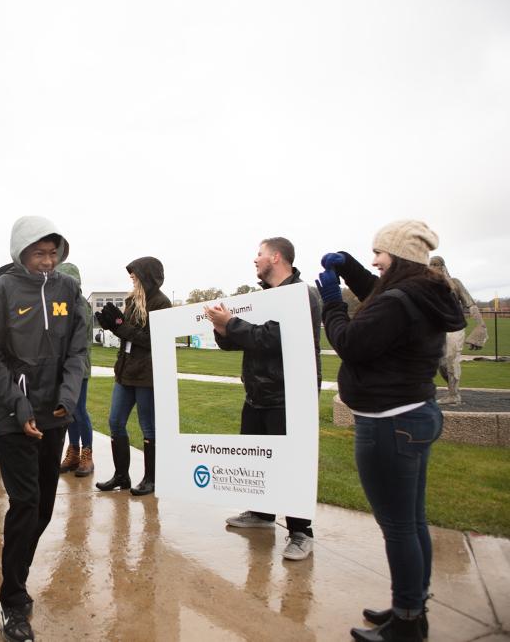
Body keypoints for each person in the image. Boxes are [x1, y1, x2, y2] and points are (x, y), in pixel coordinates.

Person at [318, 220, 465, 641]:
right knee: (413, 522)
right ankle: (412, 607)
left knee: (399, 527)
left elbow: (350, 341)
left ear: (399, 257)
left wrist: (332, 301)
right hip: (416, 414)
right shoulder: (421, 291)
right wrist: (347, 266)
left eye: (379, 253)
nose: (373, 261)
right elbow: (380, 296)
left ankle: (406, 623)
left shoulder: (400, 299)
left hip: (390, 424)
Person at [0, 216, 87, 642]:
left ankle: (16, 569)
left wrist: (68, 397)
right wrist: (18, 402)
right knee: (25, 504)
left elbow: (77, 351)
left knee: (42, 508)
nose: (47, 261)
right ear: (21, 252)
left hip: (54, 414)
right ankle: (12, 599)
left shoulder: (68, 289)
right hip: (13, 417)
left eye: (52, 253)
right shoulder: (2, 290)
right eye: (39, 253)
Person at [205, 237, 322, 561]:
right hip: (257, 394)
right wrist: (221, 327)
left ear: (277, 257)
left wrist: (231, 323)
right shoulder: (262, 298)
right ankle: (261, 513)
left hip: (288, 396)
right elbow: (239, 341)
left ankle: (301, 532)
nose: (255, 259)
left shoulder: (302, 294)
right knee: (257, 459)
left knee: (290, 464)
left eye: (260, 254)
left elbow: (272, 337)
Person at [94, 257, 171, 496]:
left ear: (147, 274)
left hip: (146, 373)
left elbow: (151, 340)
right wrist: (113, 326)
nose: (131, 276)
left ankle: (151, 479)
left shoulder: (161, 303)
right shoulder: (131, 300)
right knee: (115, 421)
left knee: (148, 426)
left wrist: (120, 327)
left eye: (135, 272)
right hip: (125, 371)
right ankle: (121, 476)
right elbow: (128, 335)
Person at [428, 256, 487, 405]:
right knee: (441, 363)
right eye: (432, 264)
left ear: (443, 266)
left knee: (451, 359)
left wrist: (481, 326)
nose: (434, 267)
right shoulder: (428, 286)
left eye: (437, 264)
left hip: (455, 326)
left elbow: (471, 304)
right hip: (438, 328)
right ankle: (452, 391)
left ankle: (454, 394)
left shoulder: (455, 283)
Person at [56, 262, 95, 477]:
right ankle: (73, 452)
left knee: (79, 411)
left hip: (78, 368)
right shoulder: (60, 302)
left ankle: (87, 455)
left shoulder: (80, 304)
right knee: (68, 412)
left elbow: (74, 338)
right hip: (63, 367)